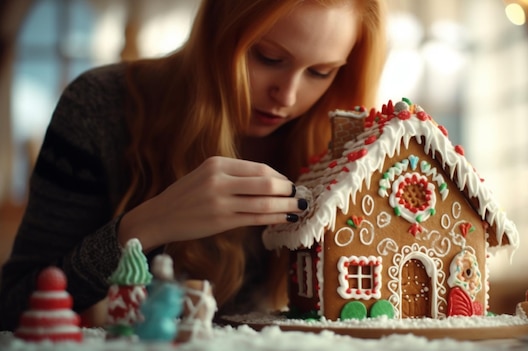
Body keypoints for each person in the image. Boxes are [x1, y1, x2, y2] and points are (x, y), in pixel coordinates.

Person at [0, 0, 387, 331]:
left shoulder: (339, 143)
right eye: (268, 57)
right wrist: (143, 227)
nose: (286, 95)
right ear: (216, 31)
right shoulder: (102, 107)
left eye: (321, 72)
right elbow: (13, 310)